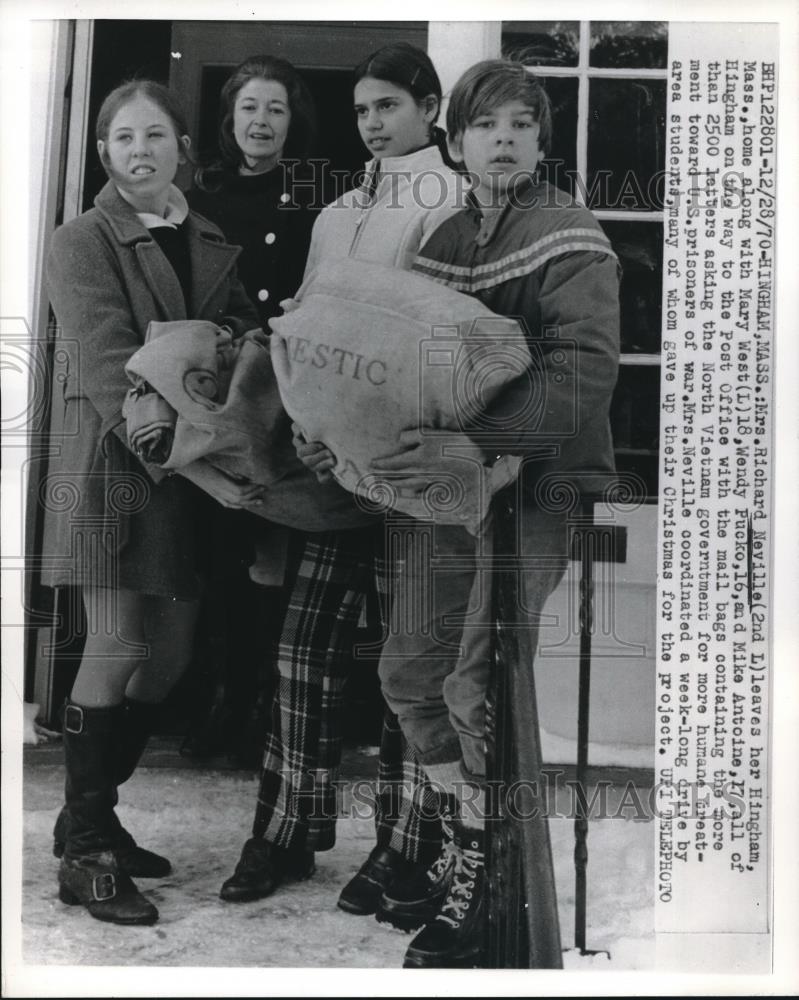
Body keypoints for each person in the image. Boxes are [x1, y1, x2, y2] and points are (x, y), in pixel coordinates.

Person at [370, 59, 621, 967]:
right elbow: (409, 357)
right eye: (485, 125)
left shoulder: (569, 232)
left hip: (538, 481)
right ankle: (462, 837)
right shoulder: (443, 233)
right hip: (447, 484)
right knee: (410, 669)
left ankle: (487, 883)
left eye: (521, 124)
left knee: (477, 684)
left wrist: (480, 444)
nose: (504, 138)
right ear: (456, 138)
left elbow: (583, 370)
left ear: (541, 141)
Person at [218, 42, 467, 916]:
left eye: (389, 106)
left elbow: (434, 338)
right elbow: (313, 330)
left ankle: (406, 847)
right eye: (362, 109)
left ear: (429, 110)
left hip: (403, 465)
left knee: (407, 661)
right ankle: (286, 830)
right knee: (302, 652)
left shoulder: (451, 201)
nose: (373, 122)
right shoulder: (337, 210)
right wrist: (311, 432)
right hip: (332, 467)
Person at [42, 80, 262, 926]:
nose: (139, 149)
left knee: (169, 653)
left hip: (191, 464)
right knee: (120, 635)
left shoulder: (209, 238)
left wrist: (226, 387)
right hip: (116, 461)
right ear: (104, 154)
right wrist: (179, 412)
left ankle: (85, 813)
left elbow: (240, 340)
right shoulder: (81, 240)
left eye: (155, 135)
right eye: (123, 137)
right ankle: (89, 853)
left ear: (180, 148)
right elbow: (106, 362)